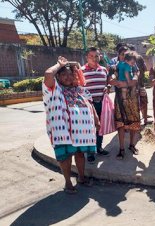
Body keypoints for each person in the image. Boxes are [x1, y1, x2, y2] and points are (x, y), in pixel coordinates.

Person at [43, 56, 98, 194]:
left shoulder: (80, 90)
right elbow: (48, 74)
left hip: (81, 132)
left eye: (70, 74)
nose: (68, 77)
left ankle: (81, 177)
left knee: (80, 154)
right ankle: (68, 183)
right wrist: (59, 64)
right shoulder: (54, 89)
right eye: (64, 74)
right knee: (66, 156)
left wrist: (96, 119)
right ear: (59, 76)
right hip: (64, 132)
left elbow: (90, 104)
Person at [81, 47, 110, 164]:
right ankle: (90, 153)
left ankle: (98, 147)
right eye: (91, 56)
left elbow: (107, 83)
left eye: (96, 56)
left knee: (100, 127)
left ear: (100, 57)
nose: (94, 58)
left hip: (101, 103)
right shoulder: (81, 70)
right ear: (87, 57)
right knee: (89, 129)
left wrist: (107, 87)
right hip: (88, 105)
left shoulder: (104, 70)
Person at [110, 51, 141, 159]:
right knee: (121, 124)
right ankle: (121, 148)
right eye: (121, 54)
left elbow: (136, 75)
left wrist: (131, 82)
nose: (123, 56)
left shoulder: (133, 65)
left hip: (132, 99)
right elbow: (111, 79)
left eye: (125, 54)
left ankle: (132, 145)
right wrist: (116, 81)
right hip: (120, 99)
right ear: (119, 55)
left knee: (134, 122)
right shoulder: (116, 65)